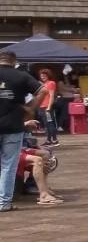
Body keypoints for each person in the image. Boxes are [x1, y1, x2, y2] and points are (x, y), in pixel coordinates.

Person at [0, 51, 45, 213]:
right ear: (14, 61)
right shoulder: (21, 76)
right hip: (13, 126)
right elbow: (43, 90)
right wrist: (31, 108)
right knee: (8, 166)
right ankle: (3, 203)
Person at [37, 70, 59, 146]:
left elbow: (52, 96)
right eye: (41, 76)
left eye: (44, 75)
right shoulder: (43, 84)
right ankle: (48, 140)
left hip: (47, 107)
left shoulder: (51, 83)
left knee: (50, 123)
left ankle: (55, 140)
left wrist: (49, 107)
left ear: (48, 76)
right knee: (46, 124)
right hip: (42, 106)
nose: (42, 77)